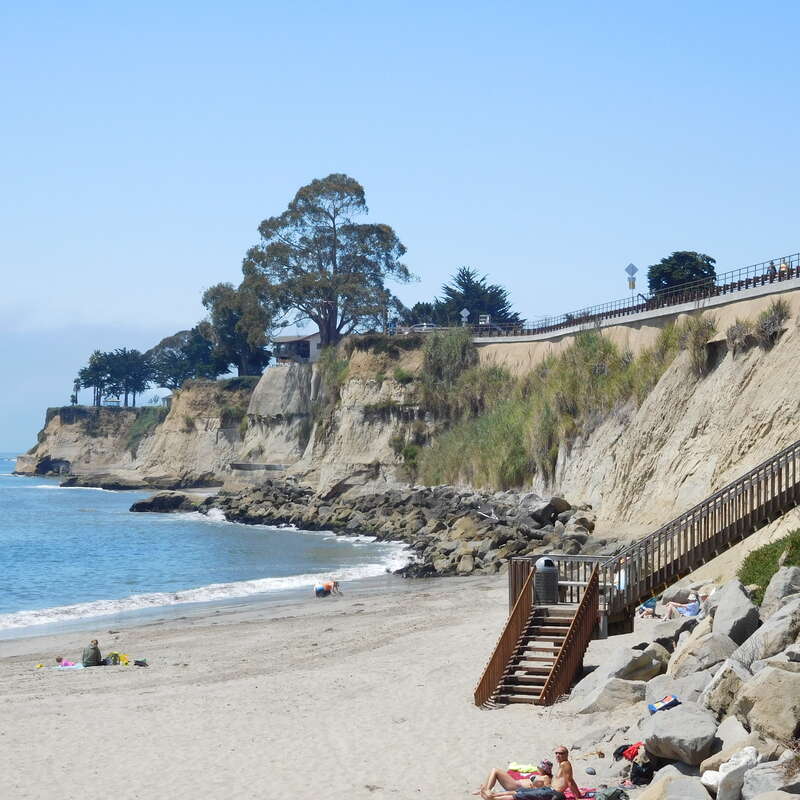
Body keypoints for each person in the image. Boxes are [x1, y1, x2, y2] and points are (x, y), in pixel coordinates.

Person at [481, 748, 582, 800]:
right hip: (544, 789)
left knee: (519, 794)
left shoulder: (564, 765)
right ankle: (491, 794)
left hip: (548, 791)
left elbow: (570, 781)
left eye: (561, 753)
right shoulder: (560, 766)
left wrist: (578, 797)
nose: (558, 755)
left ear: (567, 754)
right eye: (556, 753)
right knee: (519, 792)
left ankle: (491, 796)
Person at [473, 759, 552, 797]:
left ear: (544, 769)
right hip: (516, 784)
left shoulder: (545, 778)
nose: (538, 769)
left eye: (540, 768)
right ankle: (485, 788)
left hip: (515, 786)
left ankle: (486, 790)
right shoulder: (542, 776)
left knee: (495, 771)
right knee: (494, 771)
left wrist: (533, 787)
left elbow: (544, 790)